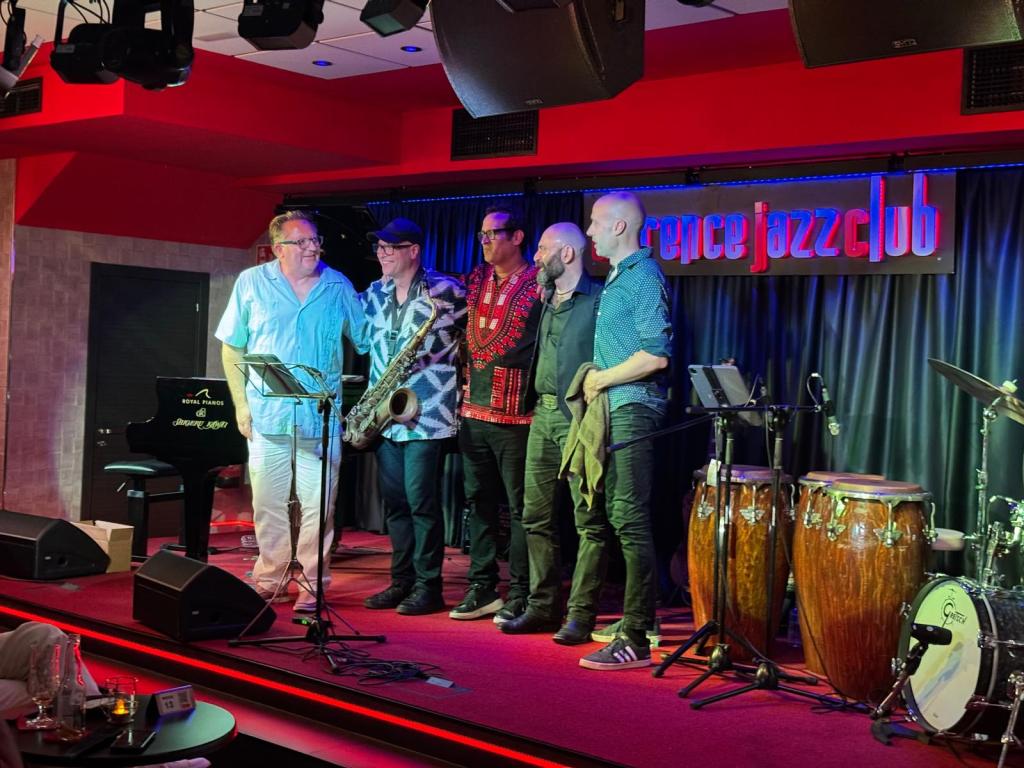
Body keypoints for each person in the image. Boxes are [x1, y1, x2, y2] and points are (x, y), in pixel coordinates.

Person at [217, 210, 365, 613]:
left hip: (320, 418)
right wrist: (241, 404)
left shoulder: (337, 285)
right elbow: (232, 346)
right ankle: (272, 578)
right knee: (268, 504)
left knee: (320, 506)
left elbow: (366, 338)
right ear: (278, 249)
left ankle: (313, 584)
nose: (312, 248)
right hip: (268, 416)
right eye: (302, 242)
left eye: (315, 240)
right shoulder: (251, 283)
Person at [574, 191, 672, 670]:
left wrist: (602, 379)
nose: (589, 231)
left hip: (633, 407)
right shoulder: (619, 276)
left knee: (629, 518)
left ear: (619, 226)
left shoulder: (644, 275)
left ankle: (635, 637)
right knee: (617, 515)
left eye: (595, 222)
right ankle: (642, 620)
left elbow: (657, 354)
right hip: (615, 408)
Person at [498, 223, 603, 639]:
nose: (537, 257)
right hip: (541, 416)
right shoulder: (545, 298)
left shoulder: (597, 301)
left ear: (568, 254)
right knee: (534, 517)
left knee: (587, 519)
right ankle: (542, 606)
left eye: (543, 249)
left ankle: (581, 614)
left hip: (578, 417)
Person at [358, 218, 467, 615]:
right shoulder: (373, 293)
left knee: (422, 503)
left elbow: (477, 342)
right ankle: (401, 581)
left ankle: (428, 586)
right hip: (386, 415)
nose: (382, 253)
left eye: (391, 247)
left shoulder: (448, 291)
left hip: (429, 413)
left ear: (414, 251)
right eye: (380, 247)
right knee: (397, 505)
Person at [451, 205, 542, 623]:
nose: (485, 241)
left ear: (517, 237)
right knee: (478, 503)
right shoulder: (475, 280)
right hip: (473, 411)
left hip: (517, 415)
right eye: (482, 235)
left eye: (493, 234)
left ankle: (521, 591)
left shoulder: (539, 284)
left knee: (522, 509)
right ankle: (482, 586)